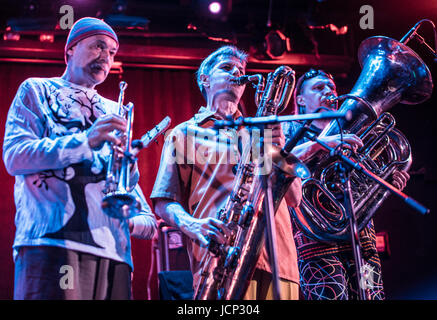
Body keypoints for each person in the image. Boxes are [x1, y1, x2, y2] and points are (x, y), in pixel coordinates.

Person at [2, 17, 157, 300]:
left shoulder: (115, 109)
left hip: (114, 253)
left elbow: (128, 190)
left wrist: (129, 167)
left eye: (112, 52)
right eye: (98, 46)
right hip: (51, 243)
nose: (106, 57)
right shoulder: (36, 89)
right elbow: (15, 156)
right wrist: (85, 141)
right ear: (70, 49)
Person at [151, 45, 303, 300]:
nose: (237, 73)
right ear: (205, 79)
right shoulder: (183, 134)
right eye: (226, 67)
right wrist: (192, 224)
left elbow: (294, 198)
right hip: (222, 264)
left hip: (280, 263)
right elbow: (163, 202)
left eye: (241, 70)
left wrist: (276, 146)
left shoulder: (261, 132)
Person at [283, 68, 410, 300]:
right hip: (315, 237)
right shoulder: (288, 130)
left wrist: (387, 182)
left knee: (373, 295)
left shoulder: (355, 128)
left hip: (361, 236)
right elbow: (278, 161)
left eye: (331, 87)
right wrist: (321, 144)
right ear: (300, 99)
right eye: (318, 88)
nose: (328, 92)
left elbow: (369, 174)